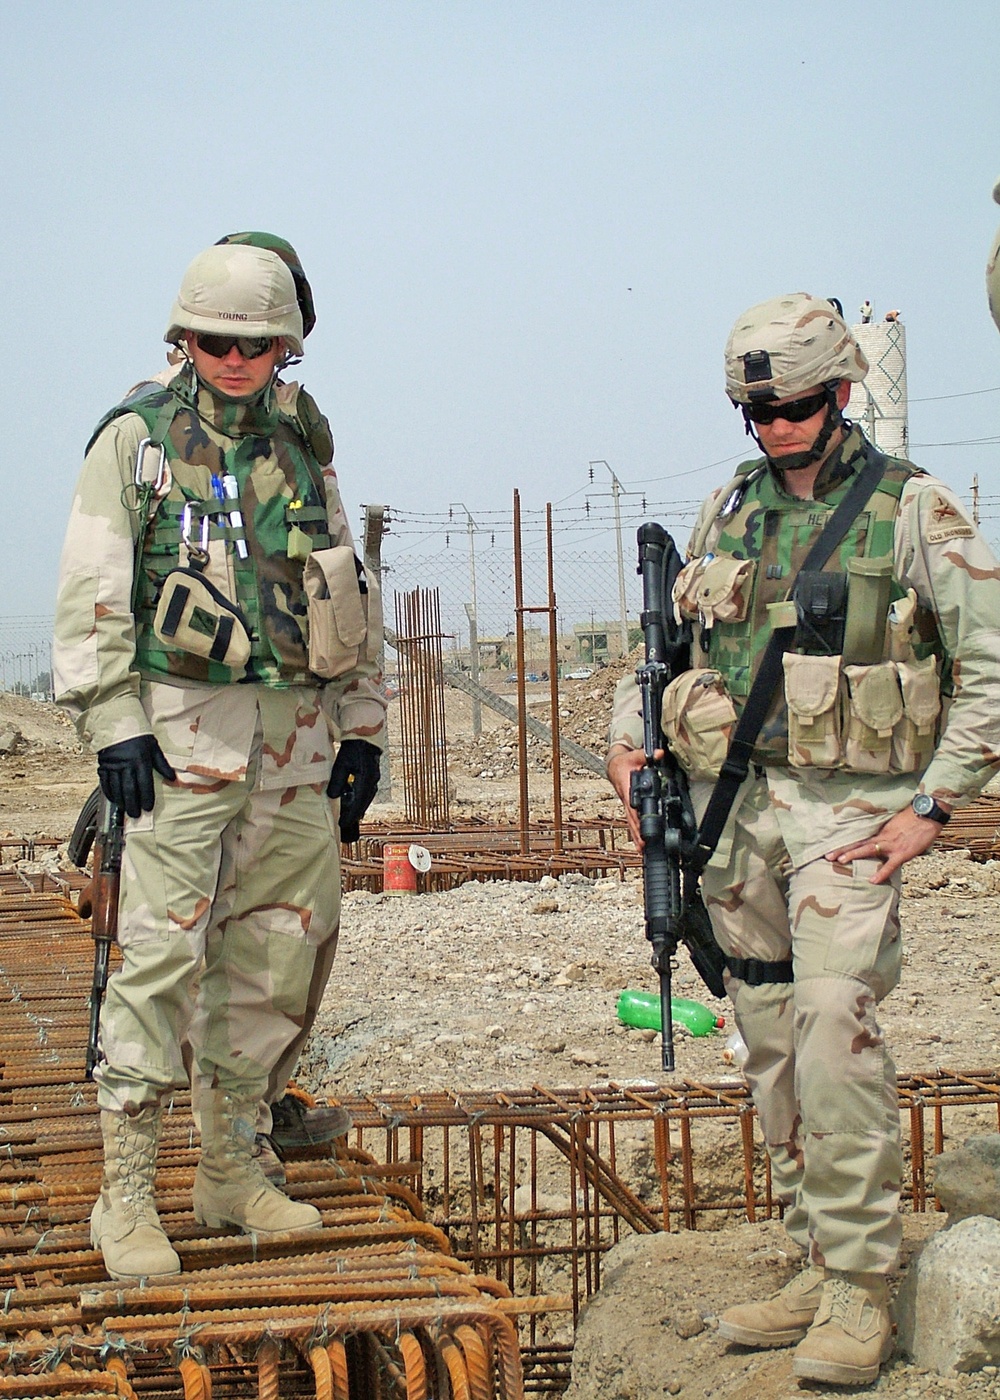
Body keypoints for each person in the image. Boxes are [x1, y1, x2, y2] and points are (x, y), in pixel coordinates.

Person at [607, 293, 1000, 1386]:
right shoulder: (726, 508)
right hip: (731, 810)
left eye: (792, 405)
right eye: (755, 411)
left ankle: (860, 1285)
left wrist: (931, 806)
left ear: (838, 394)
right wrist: (625, 749)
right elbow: (667, 650)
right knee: (769, 1029)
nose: (774, 426)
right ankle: (811, 1246)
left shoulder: (912, 508)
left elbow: (989, 667)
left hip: (851, 814)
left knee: (833, 1021)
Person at [54, 240, 386, 1280]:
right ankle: (127, 1196)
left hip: (292, 740)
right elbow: (93, 590)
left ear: (286, 346)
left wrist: (364, 726)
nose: (237, 358)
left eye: (258, 343)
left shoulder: (302, 443)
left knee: (282, 955)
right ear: (183, 338)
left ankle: (233, 1169)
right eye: (216, 340)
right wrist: (112, 724)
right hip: (178, 742)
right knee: (157, 962)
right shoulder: (137, 442)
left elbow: (344, 583)